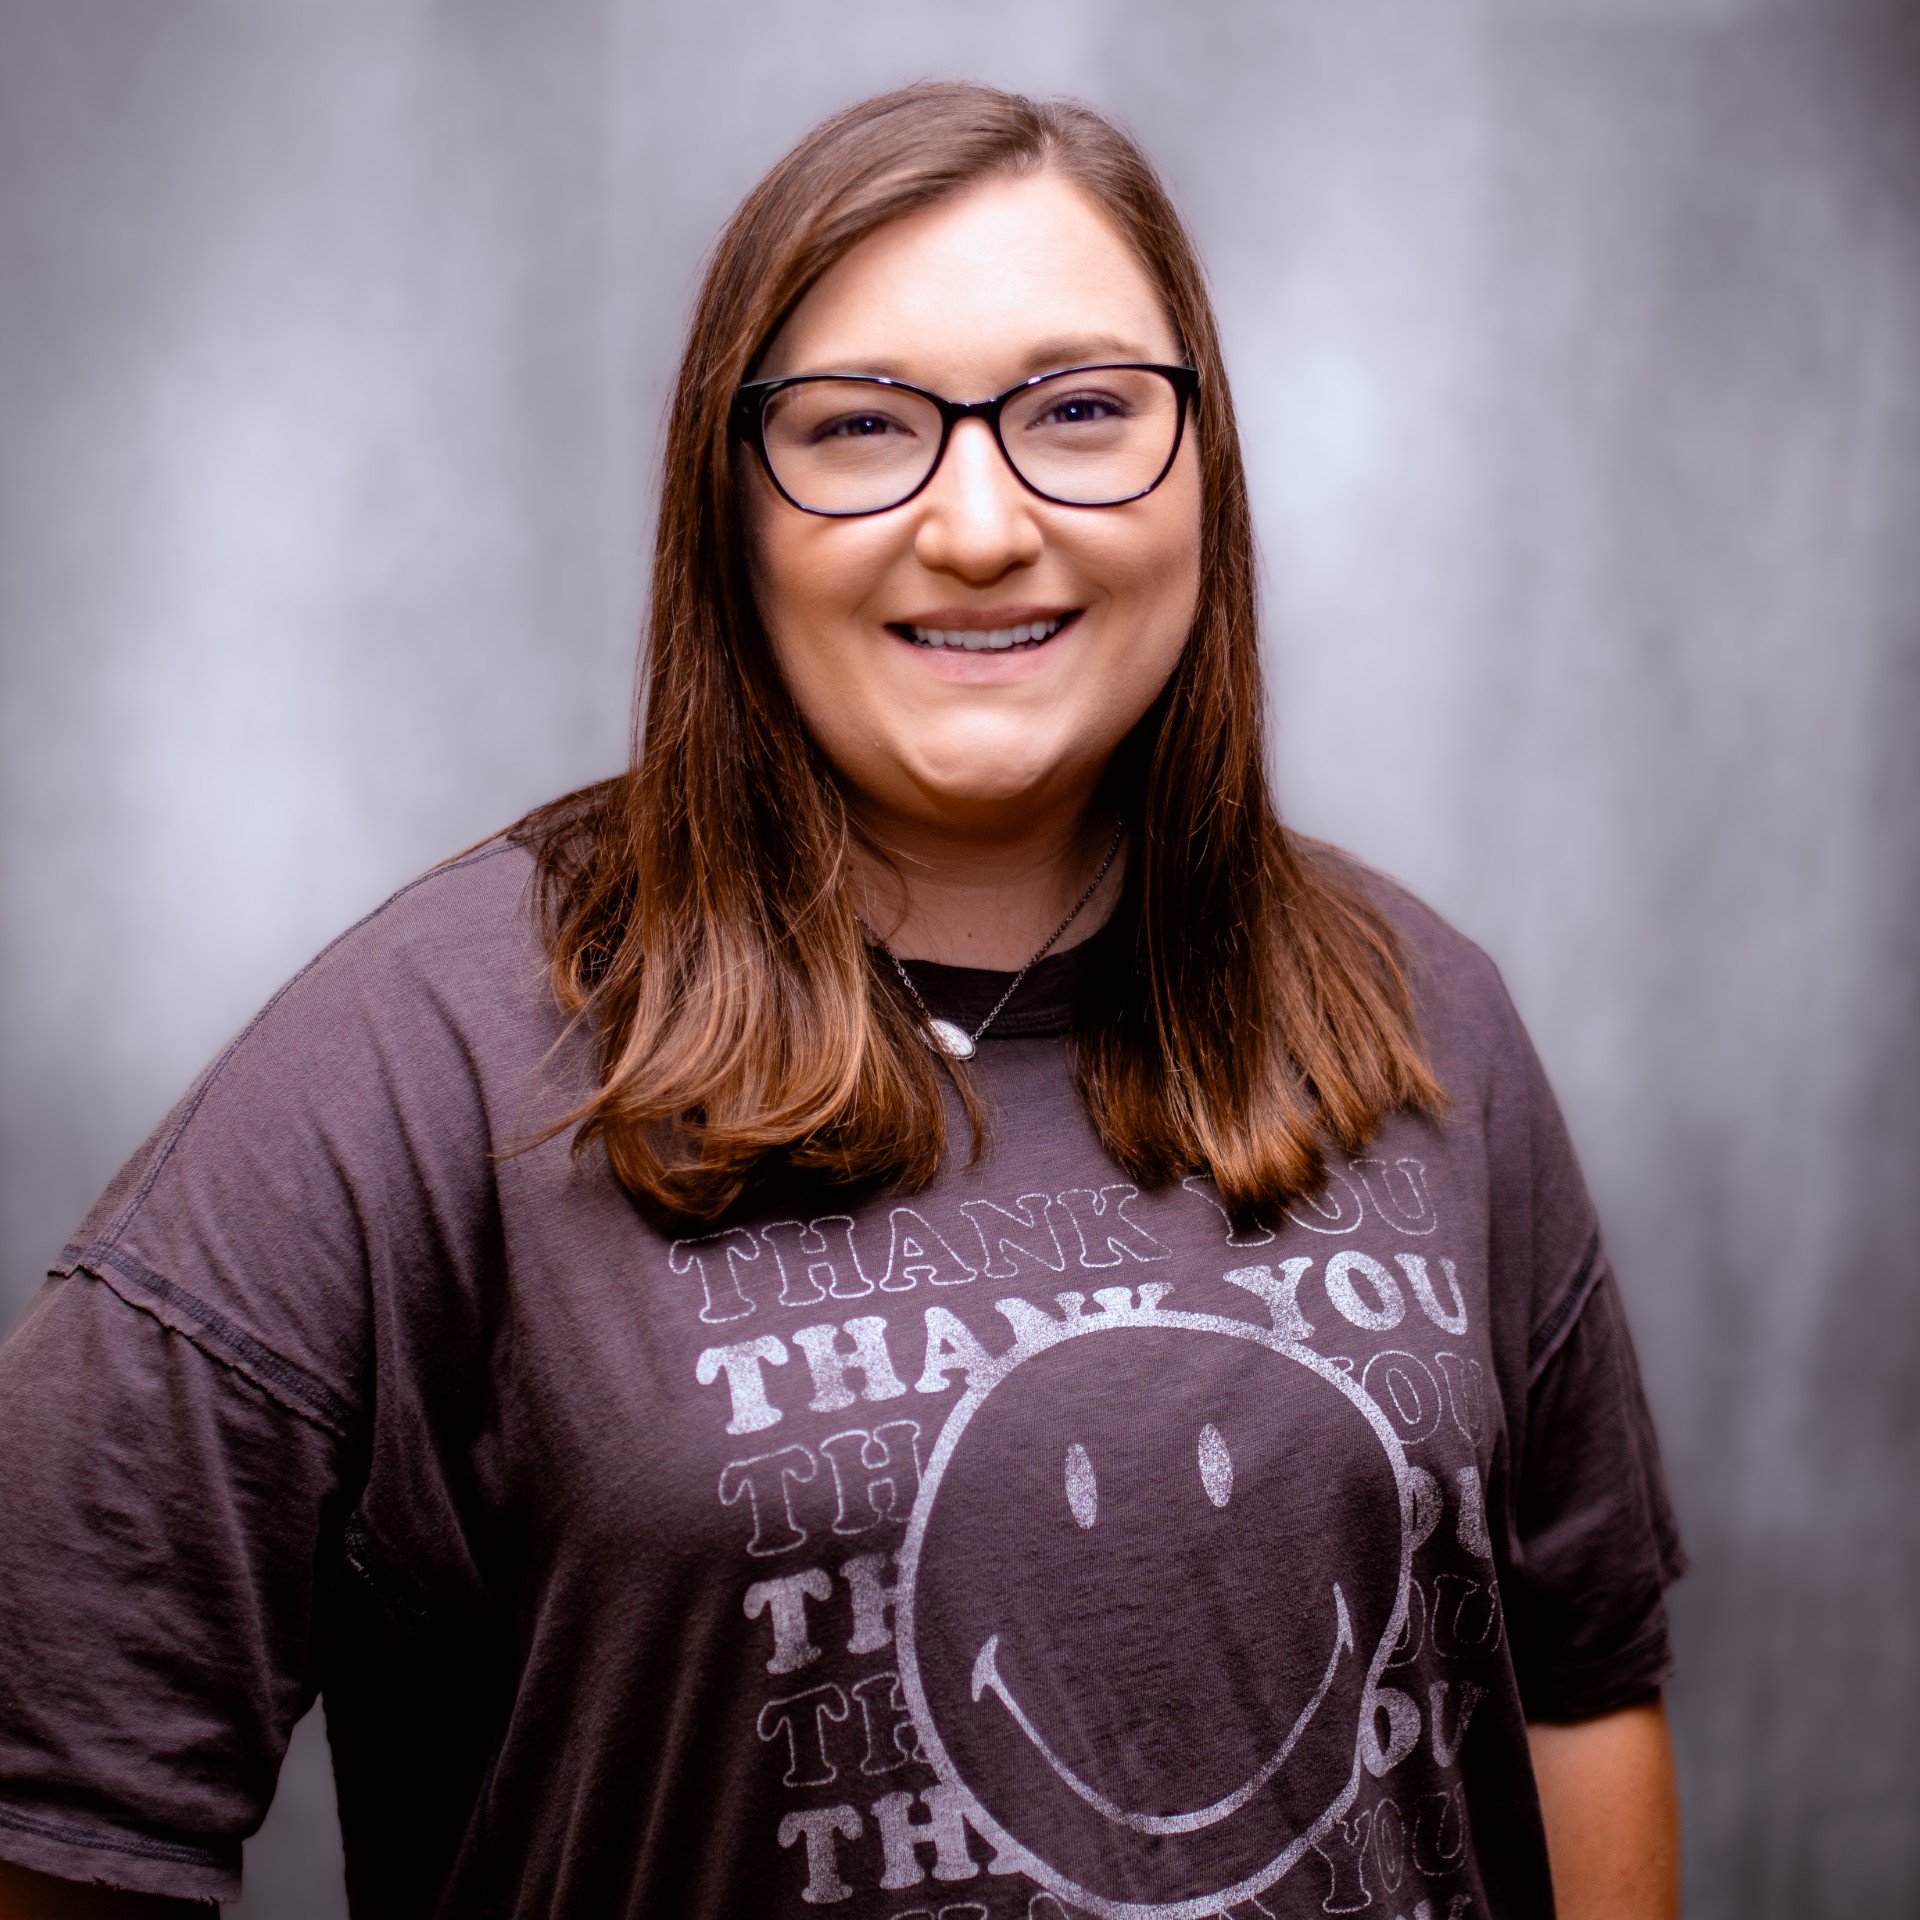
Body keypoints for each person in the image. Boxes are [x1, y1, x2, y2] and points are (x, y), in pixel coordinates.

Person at [0, 83, 1685, 1920]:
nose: (981, 525)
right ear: (728, 509)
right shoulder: (426, 1058)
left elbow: (1575, 1688)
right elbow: (65, 1780)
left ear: (1202, 460)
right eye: (862, 427)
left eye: (1082, 411)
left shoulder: (1422, 1015)